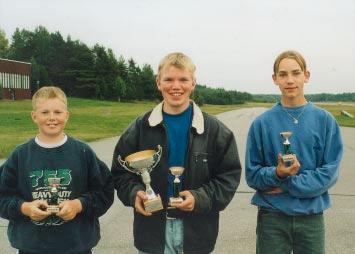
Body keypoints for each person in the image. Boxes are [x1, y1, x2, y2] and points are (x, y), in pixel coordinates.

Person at [111, 52, 241, 254]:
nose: (176, 86)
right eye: (169, 79)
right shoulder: (139, 127)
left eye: (183, 79)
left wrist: (200, 198)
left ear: (193, 83)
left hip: (198, 235)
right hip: (152, 233)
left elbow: (228, 178)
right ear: (158, 83)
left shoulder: (216, 130)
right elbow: (120, 173)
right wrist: (134, 193)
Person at [245, 50, 343, 254]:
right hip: (272, 218)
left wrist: (287, 183)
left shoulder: (325, 121)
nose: (289, 80)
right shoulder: (261, 124)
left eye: (295, 73)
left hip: (311, 217)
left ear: (306, 76)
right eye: (283, 74)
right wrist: (277, 173)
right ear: (275, 79)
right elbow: (252, 174)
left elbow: (329, 172)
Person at [0, 86, 114, 254]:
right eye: (45, 112)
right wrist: (24, 207)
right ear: (34, 116)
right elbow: (2, 196)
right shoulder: (20, 155)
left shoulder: (83, 153)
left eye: (58, 112)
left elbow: (104, 192)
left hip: (76, 246)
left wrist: (78, 205)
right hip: (31, 247)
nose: (52, 118)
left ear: (66, 115)